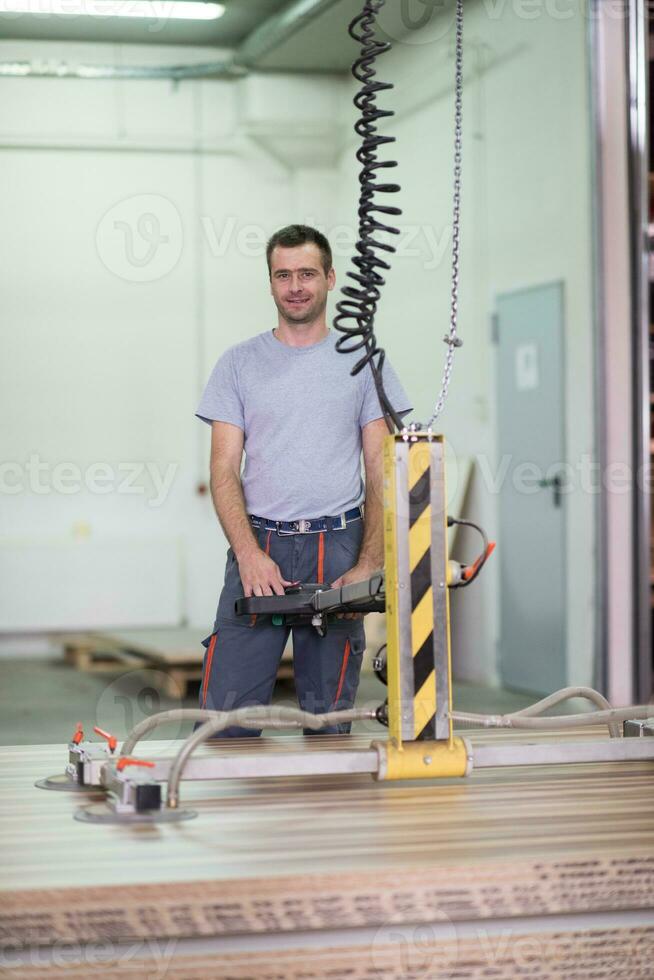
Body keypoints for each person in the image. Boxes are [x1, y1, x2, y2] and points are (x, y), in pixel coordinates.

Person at [195, 224, 411, 737]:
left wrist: (369, 562)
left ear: (330, 278)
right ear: (270, 283)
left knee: (329, 721)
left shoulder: (365, 361)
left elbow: (382, 468)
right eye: (283, 274)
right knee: (225, 722)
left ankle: (327, 811)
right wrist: (248, 554)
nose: (295, 285)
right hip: (260, 545)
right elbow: (223, 470)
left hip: (338, 547)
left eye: (307, 273)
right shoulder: (238, 364)